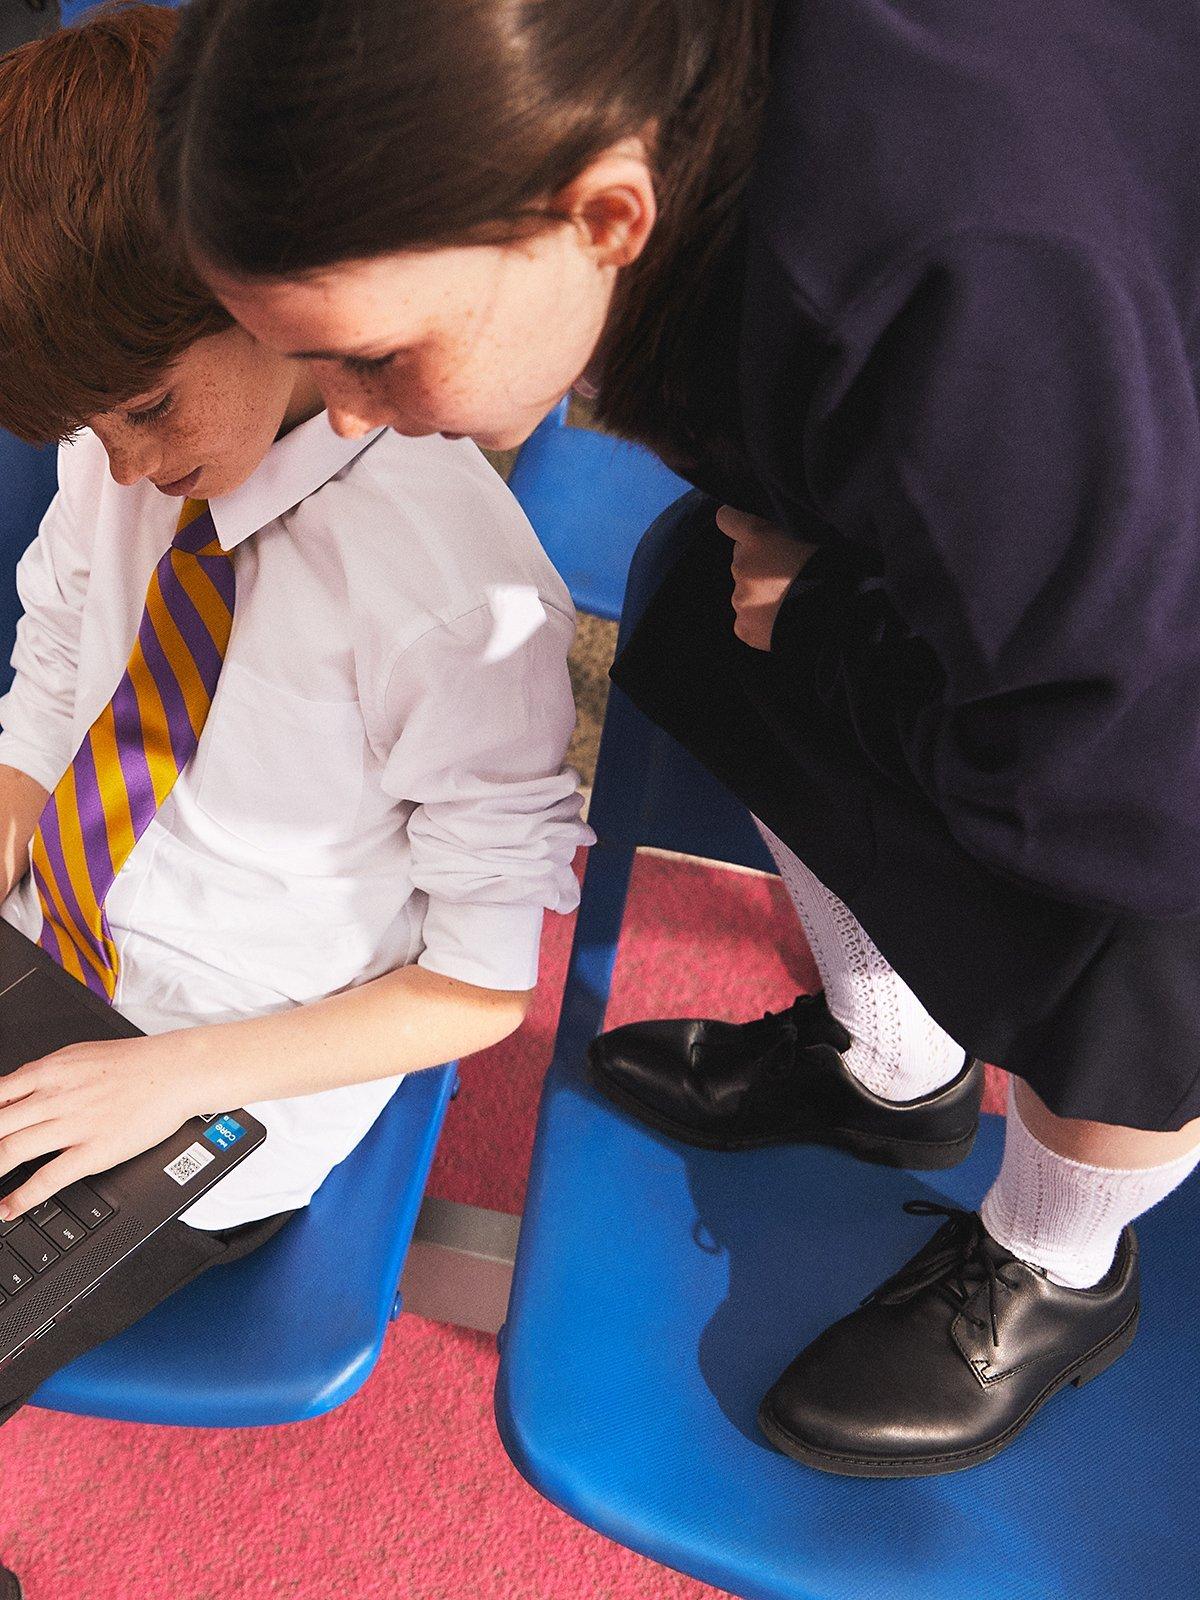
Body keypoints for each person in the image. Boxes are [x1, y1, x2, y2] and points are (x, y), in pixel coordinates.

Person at [153, 0, 1200, 1480]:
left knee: (1129, 935)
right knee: (702, 621)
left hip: (1164, 715)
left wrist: (836, 626)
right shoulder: (637, 105)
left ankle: (1062, 1264)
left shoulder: (960, 283)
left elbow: (1140, 795)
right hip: (1023, 415)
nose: (337, 414)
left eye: (375, 357)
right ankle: (893, 1072)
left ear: (604, 213)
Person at [0, 0, 586, 1440]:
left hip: (224, 1069)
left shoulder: (457, 600)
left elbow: (481, 984)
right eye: (95, 432)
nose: (130, 467)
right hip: (48, 969)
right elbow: (54, 699)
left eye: (146, 406)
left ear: (262, 292)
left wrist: (169, 1078)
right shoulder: (119, 457)